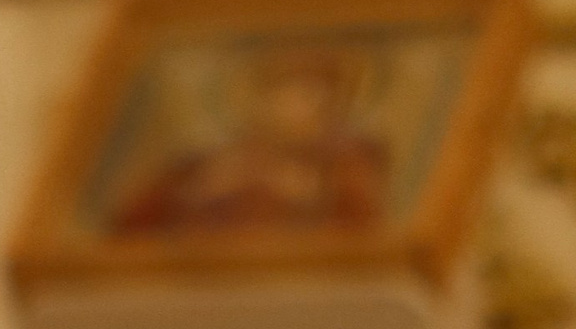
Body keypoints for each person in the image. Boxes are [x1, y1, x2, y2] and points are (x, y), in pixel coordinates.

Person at [108, 40, 393, 239]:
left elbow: (364, 231)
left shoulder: (346, 162)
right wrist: (201, 192)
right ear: (259, 97)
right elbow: (130, 230)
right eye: (287, 91)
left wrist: (305, 196)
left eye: (319, 95)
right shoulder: (199, 163)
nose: (305, 106)